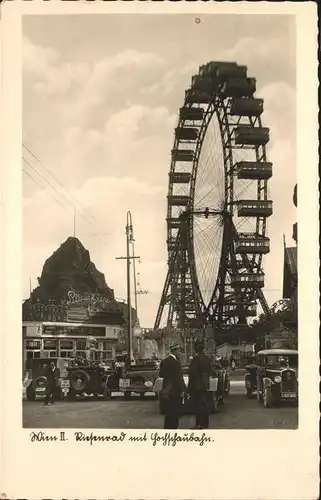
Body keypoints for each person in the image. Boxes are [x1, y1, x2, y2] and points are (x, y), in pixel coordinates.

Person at [159, 343, 185, 429]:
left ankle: (167, 427)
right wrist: (183, 389)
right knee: (175, 410)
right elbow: (179, 378)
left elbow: (161, 374)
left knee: (168, 411)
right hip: (175, 390)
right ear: (175, 351)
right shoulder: (177, 363)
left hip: (166, 390)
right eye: (179, 351)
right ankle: (173, 428)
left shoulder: (164, 361)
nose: (179, 353)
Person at [188, 341, 212, 430]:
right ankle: (205, 424)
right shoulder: (207, 358)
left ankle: (199, 424)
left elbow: (192, 372)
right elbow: (210, 371)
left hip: (196, 385)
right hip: (205, 384)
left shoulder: (196, 359)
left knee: (198, 406)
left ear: (195, 349)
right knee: (204, 404)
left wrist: (189, 386)